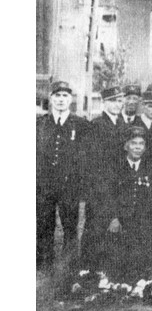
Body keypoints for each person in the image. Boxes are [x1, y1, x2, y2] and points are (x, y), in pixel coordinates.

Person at [36, 80, 90, 267]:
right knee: (44, 225)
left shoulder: (81, 125)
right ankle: (44, 266)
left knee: (70, 226)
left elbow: (84, 156)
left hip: (69, 186)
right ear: (50, 98)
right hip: (45, 185)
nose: (61, 99)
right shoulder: (40, 123)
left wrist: (78, 181)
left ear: (70, 99)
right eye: (57, 95)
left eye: (65, 96)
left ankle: (69, 267)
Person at [100, 125, 152, 280]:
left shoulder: (148, 167)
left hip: (141, 221)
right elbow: (108, 195)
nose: (137, 147)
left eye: (141, 144)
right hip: (120, 221)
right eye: (133, 143)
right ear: (126, 146)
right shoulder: (115, 166)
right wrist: (113, 218)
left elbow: (151, 197)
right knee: (117, 261)